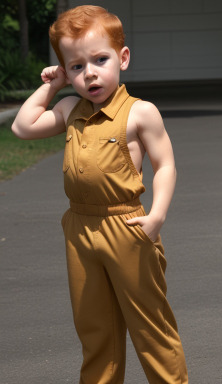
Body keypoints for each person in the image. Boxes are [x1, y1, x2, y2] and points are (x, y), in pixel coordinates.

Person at [12, 5, 188, 384]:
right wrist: (52, 85)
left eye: (100, 59)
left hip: (127, 226)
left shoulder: (140, 113)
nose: (89, 72)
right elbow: (23, 127)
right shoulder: (69, 108)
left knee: (149, 325)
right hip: (79, 228)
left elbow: (166, 165)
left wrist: (157, 215)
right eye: (75, 66)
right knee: (94, 327)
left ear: (122, 58)